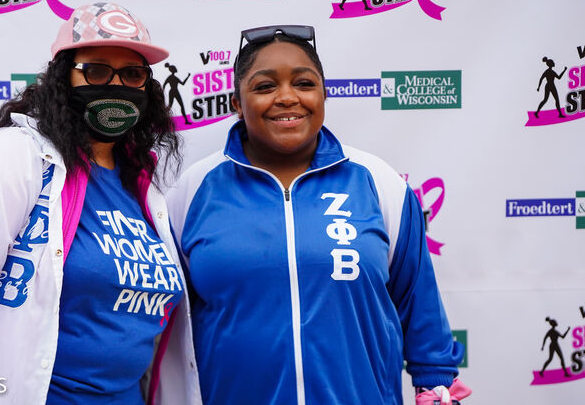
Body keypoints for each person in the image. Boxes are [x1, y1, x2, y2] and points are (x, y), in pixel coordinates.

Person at [0, 2, 201, 405]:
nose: (116, 85)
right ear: (63, 78)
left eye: (132, 74)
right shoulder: (8, 159)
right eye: (97, 71)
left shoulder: (144, 185)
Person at [167, 25, 471, 405]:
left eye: (304, 83)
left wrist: (436, 388)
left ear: (324, 93)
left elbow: (419, 304)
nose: (287, 97)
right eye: (265, 86)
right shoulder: (192, 191)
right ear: (236, 103)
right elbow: (170, 325)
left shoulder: (379, 182)